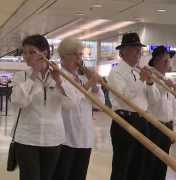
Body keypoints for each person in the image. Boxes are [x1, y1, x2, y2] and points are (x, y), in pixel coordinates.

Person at [11, 34, 72, 180]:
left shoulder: (60, 76)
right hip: (26, 138)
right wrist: (34, 75)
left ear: (44, 53)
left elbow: (70, 104)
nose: (26, 56)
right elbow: (20, 101)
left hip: (53, 138)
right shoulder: (21, 76)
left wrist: (59, 81)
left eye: (32, 52)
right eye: (25, 52)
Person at [107, 32, 157, 180]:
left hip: (142, 120)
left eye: (139, 49)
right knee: (122, 165)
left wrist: (149, 83)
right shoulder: (116, 73)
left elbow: (152, 100)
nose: (139, 52)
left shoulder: (138, 70)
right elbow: (124, 97)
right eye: (135, 48)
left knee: (140, 165)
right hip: (124, 120)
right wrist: (141, 81)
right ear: (123, 52)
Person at [52, 38, 104, 180]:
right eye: (75, 54)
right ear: (63, 57)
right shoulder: (57, 77)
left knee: (79, 176)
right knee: (62, 175)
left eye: (80, 55)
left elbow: (100, 104)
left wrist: (94, 86)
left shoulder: (81, 78)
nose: (79, 59)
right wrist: (89, 84)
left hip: (85, 139)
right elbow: (71, 103)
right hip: (65, 139)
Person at [143, 46, 176, 180]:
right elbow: (152, 101)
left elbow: (172, 106)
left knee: (163, 164)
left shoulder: (165, 79)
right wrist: (165, 87)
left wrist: (174, 128)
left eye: (168, 61)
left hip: (167, 127)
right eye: (166, 61)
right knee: (151, 164)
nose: (169, 63)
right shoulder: (149, 76)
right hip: (154, 126)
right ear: (157, 61)